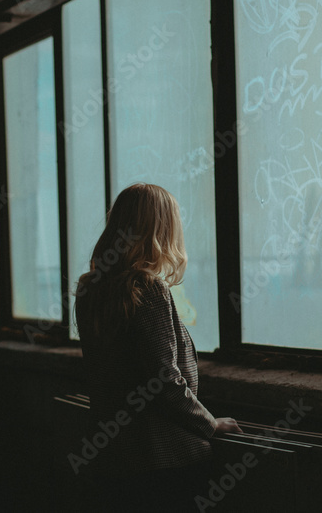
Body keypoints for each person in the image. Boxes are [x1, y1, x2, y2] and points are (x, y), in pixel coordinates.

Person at [74, 183, 242, 512]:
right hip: (163, 460)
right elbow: (163, 381)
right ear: (161, 228)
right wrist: (210, 424)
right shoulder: (148, 288)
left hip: (112, 456)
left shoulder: (90, 289)